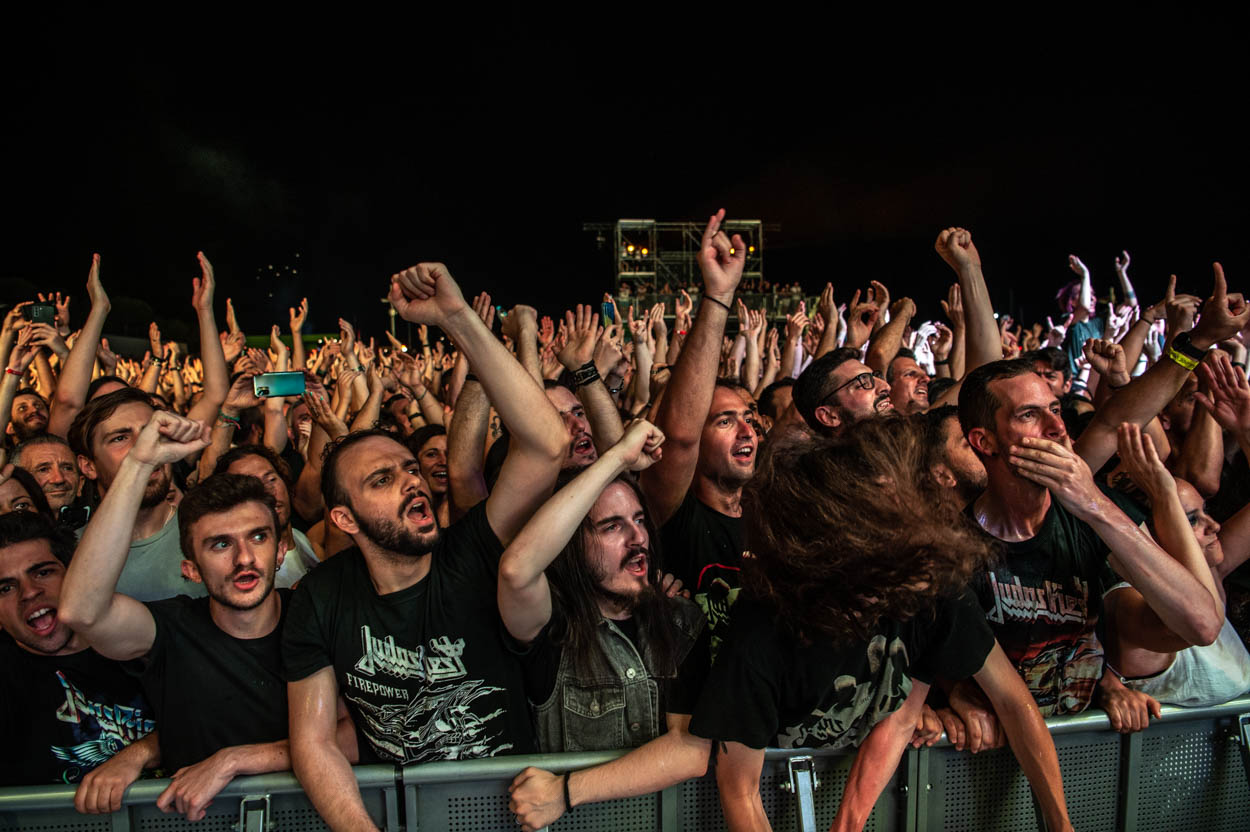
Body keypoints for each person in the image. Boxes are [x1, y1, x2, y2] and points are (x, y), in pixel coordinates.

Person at [285, 261, 568, 832]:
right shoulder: (319, 599)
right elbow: (314, 743)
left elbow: (546, 443)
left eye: (409, 468)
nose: (412, 481)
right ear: (344, 517)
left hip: (510, 817)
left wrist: (456, 317)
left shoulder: (475, 554)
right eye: (382, 481)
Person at [689, 419, 1073, 832]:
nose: (913, 592)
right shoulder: (765, 626)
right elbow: (740, 791)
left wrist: (1060, 825)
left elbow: (973, 705)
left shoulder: (931, 582)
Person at [59, 412, 353, 821]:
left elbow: (353, 736)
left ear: (281, 549)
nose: (245, 558)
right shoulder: (172, 627)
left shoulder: (314, 614)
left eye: (258, 537)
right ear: (191, 568)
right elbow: (80, 610)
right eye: (219, 545)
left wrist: (233, 761)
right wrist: (139, 466)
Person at [956, 359, 1226, 717]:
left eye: (1055, 409)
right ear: (984, 441)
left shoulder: (1090, 511)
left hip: (1084, 748)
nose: (1056, 426)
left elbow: (1202, 624)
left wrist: (1094, 503)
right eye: (1028, 415)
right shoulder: (958, 541)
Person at [498, 420, 709, 753]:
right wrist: (618, 458)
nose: (638, 538)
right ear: (569, 545)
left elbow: (685, 751)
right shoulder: (552, 629)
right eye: (612, 527)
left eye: (639, 520)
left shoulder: (683, 623)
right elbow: (515, 571)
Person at [641, 210, 755, 659]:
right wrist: (719, 297)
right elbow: (680, 436)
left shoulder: (775, 513)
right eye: (724, 421)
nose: (747, 429)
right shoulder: (674, 513)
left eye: (748, 417)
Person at [0, 510, 159, 807]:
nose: (29, 592)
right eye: (6, 587)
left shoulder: (140, 633)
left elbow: (208, 721)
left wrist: (138, 754)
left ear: (76, 576)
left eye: (43, 572)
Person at [67, 388, 200, 601]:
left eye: (151, 432)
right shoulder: (70, 553)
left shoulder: (206, 531)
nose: (143, 447)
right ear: (88, 466)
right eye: (120, 438)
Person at [215, 444, 320, 587]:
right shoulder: (250, 572)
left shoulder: (298, 537)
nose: (269, 491)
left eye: (271, 479)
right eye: (251, 486)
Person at [12, 434, 86, 520]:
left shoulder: (100, 529)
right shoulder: (6, 530)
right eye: (43, 470)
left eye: (67, 468)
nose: (59, 479)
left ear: (80, 484)